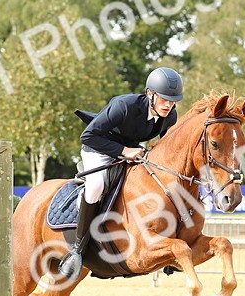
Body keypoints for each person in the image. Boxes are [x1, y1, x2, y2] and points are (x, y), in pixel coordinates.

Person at [58, 67, 183, 280]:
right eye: (164, 99)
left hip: (131, 153)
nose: (168, 104)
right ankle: (77, 249)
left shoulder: (169, 116)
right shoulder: (123, 106)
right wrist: (124, 151)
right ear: (150, 94)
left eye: (173, 100)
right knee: (96, 185)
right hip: (99, 149)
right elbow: (87, 136)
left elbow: (165, 146)